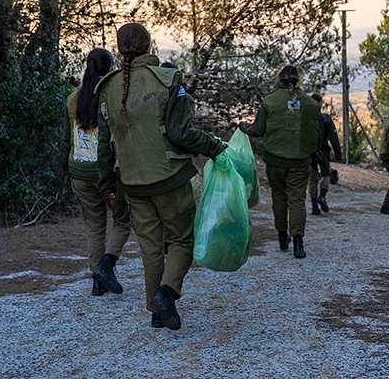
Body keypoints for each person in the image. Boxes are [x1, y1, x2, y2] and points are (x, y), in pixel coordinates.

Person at [96, 23, 225, 331]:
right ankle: (166, 294)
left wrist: (106, 183)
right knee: (182, 239)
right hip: (170, 179)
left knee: (150, 248)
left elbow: (104, 145)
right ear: (149, 44)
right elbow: (182, 133)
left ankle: (156, 312)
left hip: (132, 183)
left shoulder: (107, 87)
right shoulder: (168, 80)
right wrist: (215, 147)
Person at [63, 48, 131, 297]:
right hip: (107, 175)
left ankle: (97, 281)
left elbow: (66, 138)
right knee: (122, 220)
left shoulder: (73, 99)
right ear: (110, 69)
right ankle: (106, 267)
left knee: (94, 226)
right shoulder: (110, 99)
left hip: (79, 171)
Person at [240, 65, 319, 259]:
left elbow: (258, 130)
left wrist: (242, 127)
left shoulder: (270, 102)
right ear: (298, 80)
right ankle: (298, 243)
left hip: (275, 161)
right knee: (297, 200)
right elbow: (315, 134)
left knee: (279, 197)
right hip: (300, 161)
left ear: (279, 79)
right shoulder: (310, 104)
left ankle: (283, 237)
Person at [309, 93, 342, 216]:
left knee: (312, 179)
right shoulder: (325, 119)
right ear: (320, 103)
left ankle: (314, 207)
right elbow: (333, 138)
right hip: (323, 152)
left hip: (309, 153)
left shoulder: (305, 118)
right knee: (326, 174)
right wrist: (338, 155)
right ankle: (322, 196)